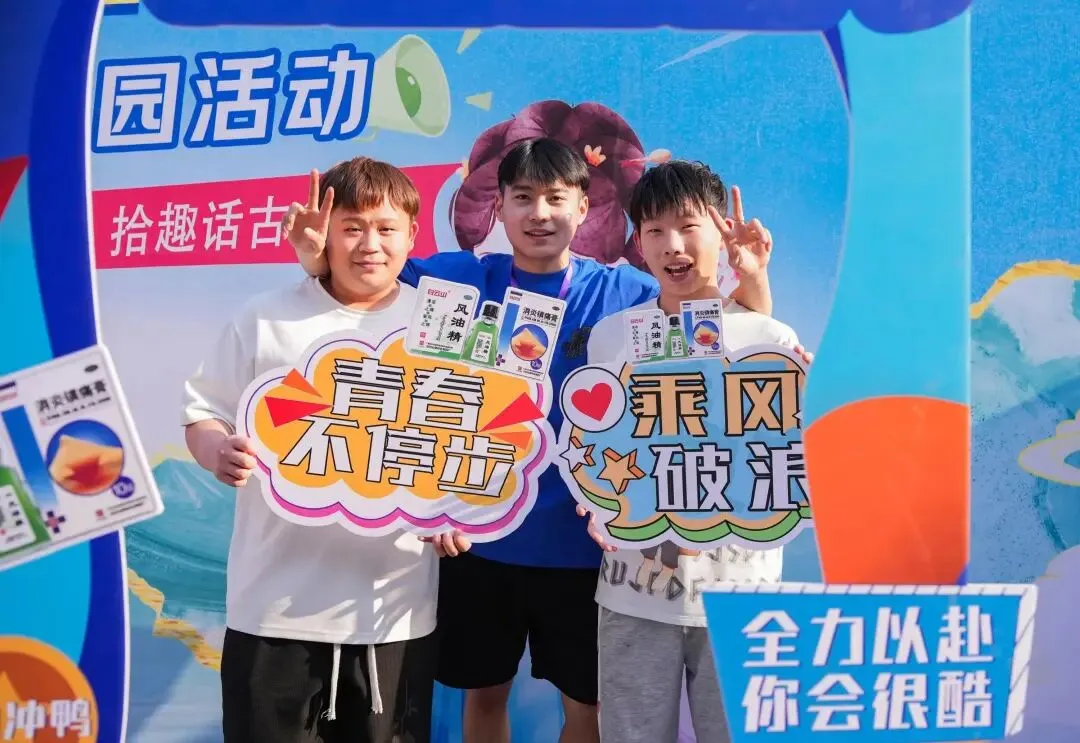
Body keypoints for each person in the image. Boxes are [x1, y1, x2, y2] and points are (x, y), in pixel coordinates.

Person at [283, 139, 773, 743]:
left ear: (583, 207)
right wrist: (315, 261)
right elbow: (362, 288)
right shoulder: (456, 278)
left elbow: (728, 334)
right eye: (522, 197)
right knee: (484, 694)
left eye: (555, 198)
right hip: (478, 542)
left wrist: (754, 279)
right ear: (499, 207)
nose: (539, 213)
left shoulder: (625, 292)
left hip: (583, 550)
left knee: (586, 708)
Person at [183, 157, 460, 743]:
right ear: (323, 234)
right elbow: (202, 412)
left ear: (413, 234)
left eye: (386, 228)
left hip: (393, 613)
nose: (370, 245)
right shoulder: (265, 317)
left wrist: (461, 512)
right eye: (352, 227)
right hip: (272, 609)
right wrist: (216, 451)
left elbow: (471, 444)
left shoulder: (441, 328)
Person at [579, 160, 812, 743]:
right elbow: (598, 450)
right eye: (655, 230)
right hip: (634, 594)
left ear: (720, 232)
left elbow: (793, 460)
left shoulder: (769, 339)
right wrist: (594, 499)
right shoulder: (612, 336)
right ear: (638, 242)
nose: (673, 246)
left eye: (688, 226)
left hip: (740, 596)